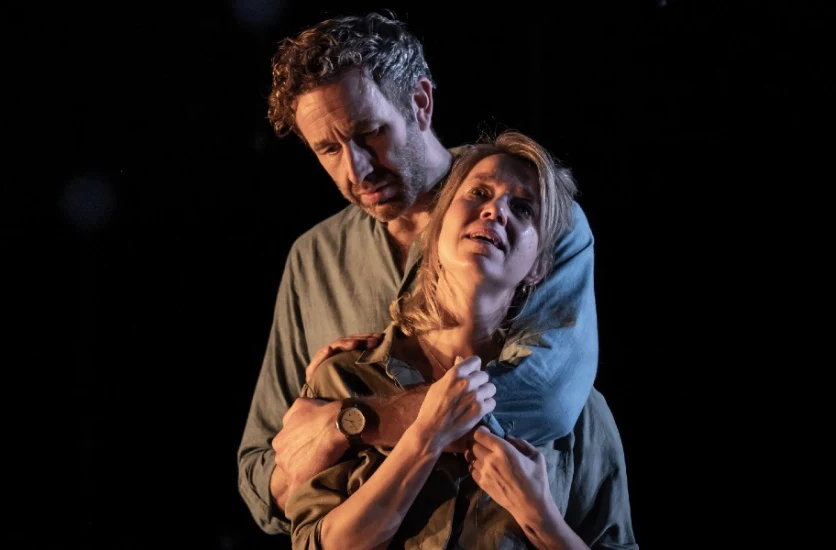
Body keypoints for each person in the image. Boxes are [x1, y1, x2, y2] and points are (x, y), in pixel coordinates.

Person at [238, 12, 600, 535]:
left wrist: (351, 421)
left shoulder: (535, 218)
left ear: (421, 103)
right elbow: (263, 481)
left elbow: (544, 403)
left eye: (369, 134)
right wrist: (313, 433)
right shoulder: (313, 259)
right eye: (328, 149)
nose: (354, 170)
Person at [287, 130, 637, 549]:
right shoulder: (344, 380)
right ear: (435, 229)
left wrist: (541, 518)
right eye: (478, 193)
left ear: (537, 269)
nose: (495, 212)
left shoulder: (579, 412)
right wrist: (424, 436)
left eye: (522, 208)